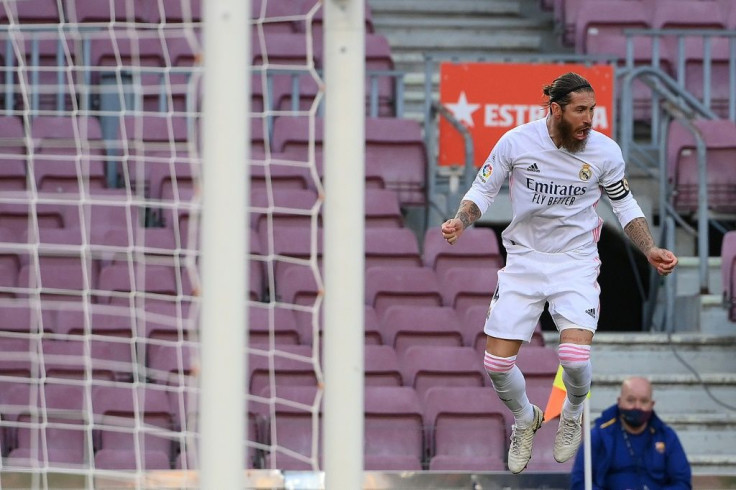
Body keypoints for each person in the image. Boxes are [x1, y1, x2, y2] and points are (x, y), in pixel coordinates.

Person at [441, 72, 678, 474]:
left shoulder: (604, 152)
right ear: (555, 109)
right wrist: (462, 220)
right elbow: (483, 189)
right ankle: (525, 418)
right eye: (581, 110)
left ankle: (571, 411)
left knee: (572, 354)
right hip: (524, 261)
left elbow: (625, 205)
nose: (589, 119)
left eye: (593, 110)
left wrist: (650, 247)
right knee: (497, 365)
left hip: (576, 261)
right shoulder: (516, 142)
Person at [571, 376, 692, 489]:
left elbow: (682, 482)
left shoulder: (666, 436)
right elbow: (579, 482)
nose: (637, 406)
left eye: (644, 401)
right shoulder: (599, 435)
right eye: (630, 400)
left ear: (652, 404)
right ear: (619, 402)